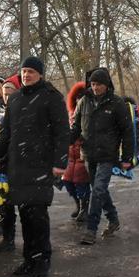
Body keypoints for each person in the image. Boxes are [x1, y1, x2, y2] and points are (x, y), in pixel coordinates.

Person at [0, 57, 69, 277]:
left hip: (40, 165)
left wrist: (60, 162)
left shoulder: (52, 98)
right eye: (23, 71)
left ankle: (42, 261)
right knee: (24, 214)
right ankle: (28, 261)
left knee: (38, 216)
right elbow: (6, 134)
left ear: (40, 74)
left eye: (31, 71)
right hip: (17, 165)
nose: (26, 75)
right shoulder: (15, 100)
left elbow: (62, 133)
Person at [71, 67, 134, 246]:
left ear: (106, 85)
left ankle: (91, 229)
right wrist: (64, 143)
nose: (95, 87)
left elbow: (127, 132)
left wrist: (127, 157)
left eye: (99, 84)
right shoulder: (84, 101)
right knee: (100, 191)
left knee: (97, 190)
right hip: (88, 153)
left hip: (108, 155)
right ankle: (113, 219)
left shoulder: (117, 103)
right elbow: (76, 127)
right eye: (93, 84)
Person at [0, 74, 21, 253]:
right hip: (2, 161)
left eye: (10, 92)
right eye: (4, 93)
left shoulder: (22, 108)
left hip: (19, 160)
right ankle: (8, 238)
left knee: (25, 204)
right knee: (4, 201)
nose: (6, 96)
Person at [63, 80, 91, 223]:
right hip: (70, 155)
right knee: (68, 183)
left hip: (82, 154)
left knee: (82, 184)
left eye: (82, 97)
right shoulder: (69, 115)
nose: (79, 99)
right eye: (77, 97)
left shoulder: (89, 115)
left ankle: (84, 209)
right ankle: (78, 204)